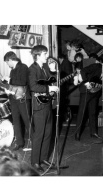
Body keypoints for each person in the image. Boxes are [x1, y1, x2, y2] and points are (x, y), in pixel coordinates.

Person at [28, 45, 59, 173]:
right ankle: (35, 161)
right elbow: (33, 86)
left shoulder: (44, 69)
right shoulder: (32, 69)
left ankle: (44, 158)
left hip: (46, 103)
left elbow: (45, 84)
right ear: (38, 55)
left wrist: (51, 90)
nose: (47, 56)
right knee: (39, 134)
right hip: (38, 106)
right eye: (45, 54)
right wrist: (49, 89)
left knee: (48, 133)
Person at [73, 57, 103, 141]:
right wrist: (86, 83)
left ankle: (93, 133)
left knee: (93, 112)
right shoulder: (97, 66)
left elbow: (98, 82)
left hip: (95, 93)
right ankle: (77, 134)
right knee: (82, 112)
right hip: (86, 91)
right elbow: (83, 71)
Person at [0, 51, 32, 151]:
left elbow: (23, 82)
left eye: (7, 62)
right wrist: (5, 81)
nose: (7, 65)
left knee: (27, 121)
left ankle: (34, 142)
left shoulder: (24, 67)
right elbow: (13, 85)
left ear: (10, 60)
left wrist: (8, 79)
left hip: (22, 98)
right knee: (16, 121)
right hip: (13, 99)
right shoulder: (13, 70)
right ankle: (19, 143)